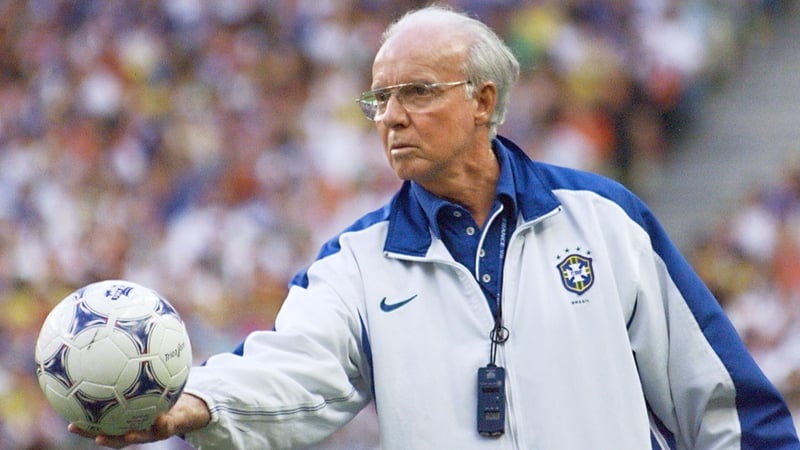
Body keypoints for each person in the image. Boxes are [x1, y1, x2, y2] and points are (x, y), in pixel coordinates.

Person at [72, 4, 800, 449]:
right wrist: (200, 401)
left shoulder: (606, 220)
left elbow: (720, 399)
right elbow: (296, 364)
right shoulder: (354, 263)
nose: (390, 116)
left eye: (416, 92)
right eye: (379, 99)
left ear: (484, 100)